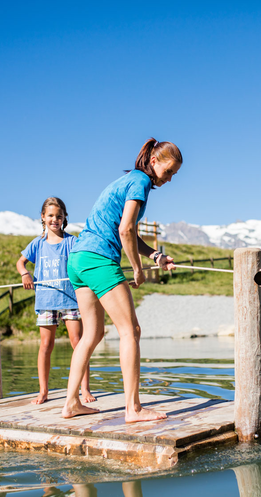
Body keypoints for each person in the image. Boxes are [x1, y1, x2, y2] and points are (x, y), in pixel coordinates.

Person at [63, 138, 181, 421]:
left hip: (79, 259)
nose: (169, 179)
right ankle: (133, 408)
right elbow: (125, 230)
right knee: (131, 331)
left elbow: (128, 231)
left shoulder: (128, 180)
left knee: (92, 334)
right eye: (168, 172)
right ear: (154, 161)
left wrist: (155, 256)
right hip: (98, 258)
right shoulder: (140, 182)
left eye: (174, 174)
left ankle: (70, 404)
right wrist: (138, 269)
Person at [16, 197, 93, 405]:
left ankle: (84, 388)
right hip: (46, 301)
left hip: (71, 300)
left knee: (78, 343)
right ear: (43, 217)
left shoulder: (72, 242)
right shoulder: (37, 243)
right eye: (50, 215)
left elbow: (84, 260)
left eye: (59, 216)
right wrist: (25, 273)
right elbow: (21, 262)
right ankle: (43, 391)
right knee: (46, 345)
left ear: (64, 217)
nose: (55, 219)